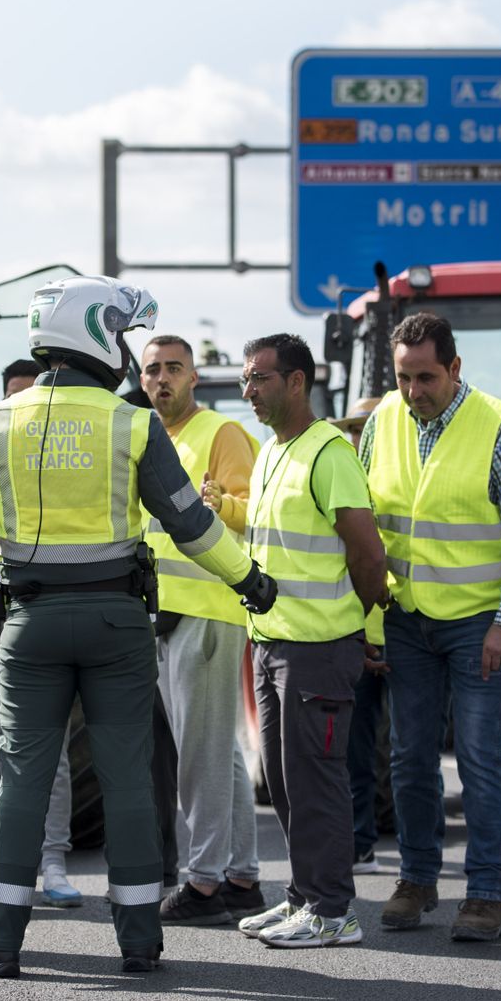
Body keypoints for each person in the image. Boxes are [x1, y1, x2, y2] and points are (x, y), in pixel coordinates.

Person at [0, 275, 276, 978]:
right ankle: (139, 942)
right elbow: (190, 523)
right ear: (95, 334)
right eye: (121, 336)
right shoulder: (131, 422)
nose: (127, 352)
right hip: (116, 624)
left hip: (29, 624)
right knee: (128, 781)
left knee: (20, 780)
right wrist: (249, 579)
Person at [363, 312, 501, 942]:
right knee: (410, 758)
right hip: (406, 619)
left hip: (478, 625)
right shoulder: (383, 420)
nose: (414, 390)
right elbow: (365, 522)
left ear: (455, 368)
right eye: (404, 377)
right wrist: (369, 618)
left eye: (427, 378)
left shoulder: (497, 425)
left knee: (479, 759)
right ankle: (416, 879)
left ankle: (487, 893)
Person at [233, 333, 386, 949]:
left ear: (297, 381)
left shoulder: (329, 453)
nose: (248, 390)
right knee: (283, 779)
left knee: (316, 782)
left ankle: (331, 911)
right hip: (272, 643)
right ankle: (304, 897)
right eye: (246, 379)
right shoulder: (274, 450)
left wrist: (356, 626)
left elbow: (368, 554)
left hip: (318, 648)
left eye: (260, 378)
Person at [140, 335, 266, 926]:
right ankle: (240, 878)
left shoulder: (220, 432)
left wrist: (219, 505)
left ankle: (205, 881)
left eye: (174, 368)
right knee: (216, 754)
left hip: (208, 611)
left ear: (194, 378)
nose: (162, 378)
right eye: (153, 370)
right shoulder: (152, 438)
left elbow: (251, 510)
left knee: (200, 756)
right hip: (168, 615)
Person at [0, 357, 84, 909]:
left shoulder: (65, 461)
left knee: (50, 754)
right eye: (13, 396)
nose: (23, 406)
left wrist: (8, 534)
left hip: (43, 617)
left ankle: (52, 863)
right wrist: (31, 535)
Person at [338, 396, 395, 876]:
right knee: (356, 749)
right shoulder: (339, 481)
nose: (360, 437)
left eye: (367, 428)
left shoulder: (396, 482)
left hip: (403, 631)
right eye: (354, 429)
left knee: (414, 750)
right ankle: (360, 843)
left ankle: (419, 852)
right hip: (359, 633)